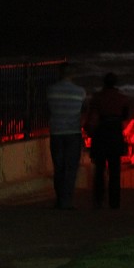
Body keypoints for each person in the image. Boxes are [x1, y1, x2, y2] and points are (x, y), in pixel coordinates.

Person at [87, 72, 130, 209]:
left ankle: (99, 200)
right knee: (115, 170)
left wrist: (90, 131)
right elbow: (125, 116)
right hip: (115, 133)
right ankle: (115, 202)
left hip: (101, 133)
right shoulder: (122, 98)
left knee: (99, 169)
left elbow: (92, 117)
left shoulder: (97, 98)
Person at [46, 63, 87, 210]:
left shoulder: (50, 91)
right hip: (73, 133)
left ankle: (59, 199)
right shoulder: (80, 92)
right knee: (71, 168)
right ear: (73, 74)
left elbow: (47, 110)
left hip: (56, 132)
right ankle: (67, 201)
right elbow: (83, 112)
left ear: (59, 73)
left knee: (59, 167)